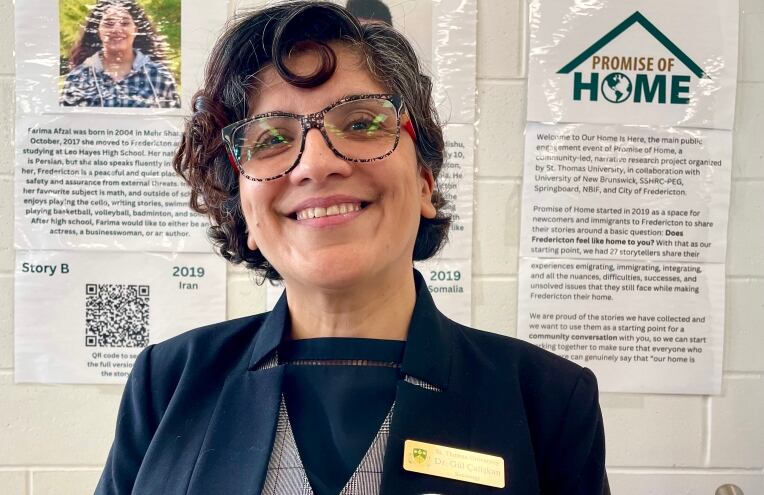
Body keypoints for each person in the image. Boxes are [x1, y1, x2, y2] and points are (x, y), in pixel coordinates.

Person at [95, 2, 609, 494]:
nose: (315, 164)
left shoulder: (548, 400)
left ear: (425, 183)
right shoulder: (167, 382)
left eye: (362, 123)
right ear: (244, 213)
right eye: (271, 139)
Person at [60, 0, 180, 108]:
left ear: (136, 29)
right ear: (97, 29)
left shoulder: (159, 77)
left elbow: (175, 127)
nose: (117, 29)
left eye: (125, 23)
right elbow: (65, 126)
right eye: (109, 23)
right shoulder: (78, 78)